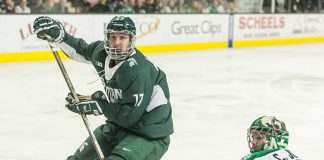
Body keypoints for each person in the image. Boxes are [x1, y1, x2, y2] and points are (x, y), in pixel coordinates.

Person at [33, 16, 174, 160]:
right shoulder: (101, 53)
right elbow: (80, 50)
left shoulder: (138, 71)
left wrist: (98, 106)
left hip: (149, 134)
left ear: (131, 40)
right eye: (113, 37)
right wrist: (59, 36)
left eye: (122, 37)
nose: (116, 43)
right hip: (117, 126)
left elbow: (129, 116)